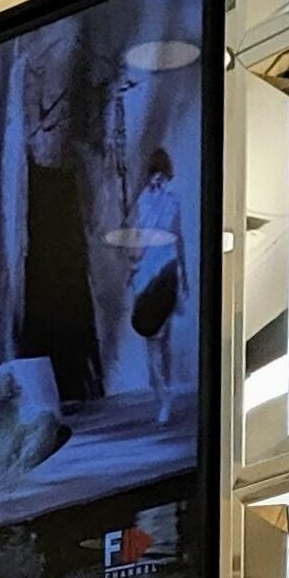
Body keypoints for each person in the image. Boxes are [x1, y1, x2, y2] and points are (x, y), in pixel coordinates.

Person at [17, 29, 105, 406]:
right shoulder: (44, 49)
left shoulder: (63, 44)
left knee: (61, 273)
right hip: (47, 179)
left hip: (57, 180)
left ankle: (70, 379)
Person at [126, 147, 186, 425]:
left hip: (166, 272)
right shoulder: (142, 202)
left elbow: (178, 238)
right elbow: (138, 241)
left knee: (163, 338)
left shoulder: (173, 202)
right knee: (154, 339)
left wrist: (184, 277)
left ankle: (165, 397)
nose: (157, 179)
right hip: (148, 273)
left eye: (161, 174)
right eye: (154, 174)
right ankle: (162, 395)